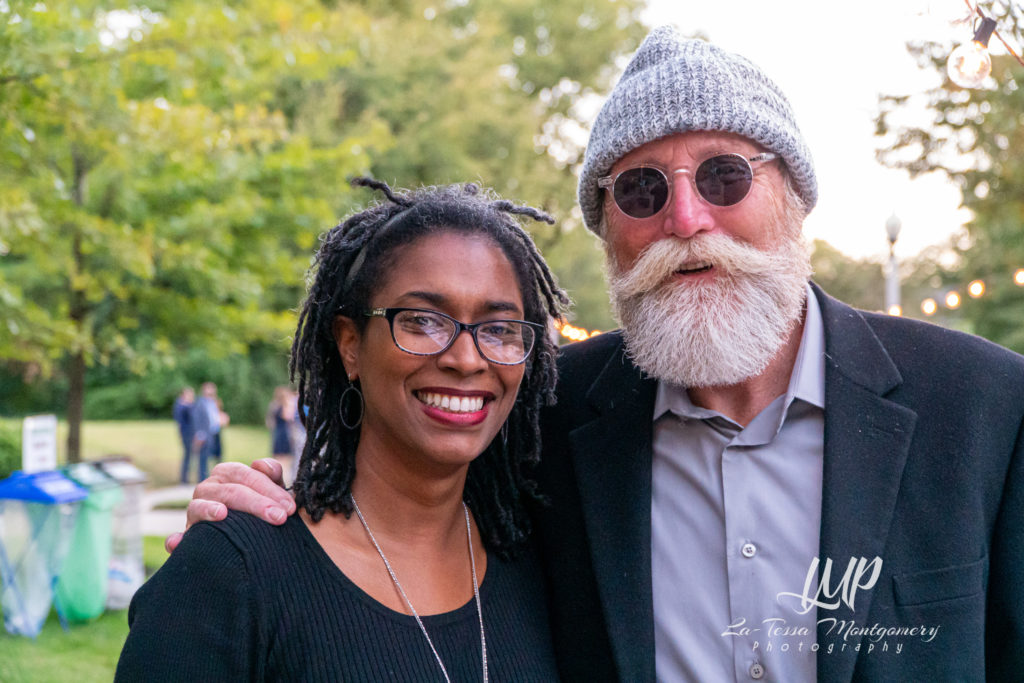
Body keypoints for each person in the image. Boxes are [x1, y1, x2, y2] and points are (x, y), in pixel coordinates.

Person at [173, 27, 1024, 682]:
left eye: (724, 175)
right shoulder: (548, 416)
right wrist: (270, 499)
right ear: (610, 234)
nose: (687, 220)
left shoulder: (983, 406)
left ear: (794, 197)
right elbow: (402, 478)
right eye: (642, 190)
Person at [117, 179, 567, 681]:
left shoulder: (544, 564)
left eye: (500, 329)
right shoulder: (232, 573)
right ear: (350, 344)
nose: (466, 358)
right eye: (421, 321)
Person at [187, 382, 221, 483]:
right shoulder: (200, 402)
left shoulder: (213, 402)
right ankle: (202, 481)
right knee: (203, 460)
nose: (211, 391)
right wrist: (200, 435)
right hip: (204, 435)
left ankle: (211, 479)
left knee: (214, 458)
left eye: (213, 389)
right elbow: (196, 419)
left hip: (214, 434)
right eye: (209, 389)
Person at [172, 386, 195, 485]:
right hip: (187, 434)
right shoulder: (182, 406)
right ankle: (184, 479)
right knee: (187, 456)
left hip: (188, 433)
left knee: (188, 456)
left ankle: (185, 478)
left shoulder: (184, 405)